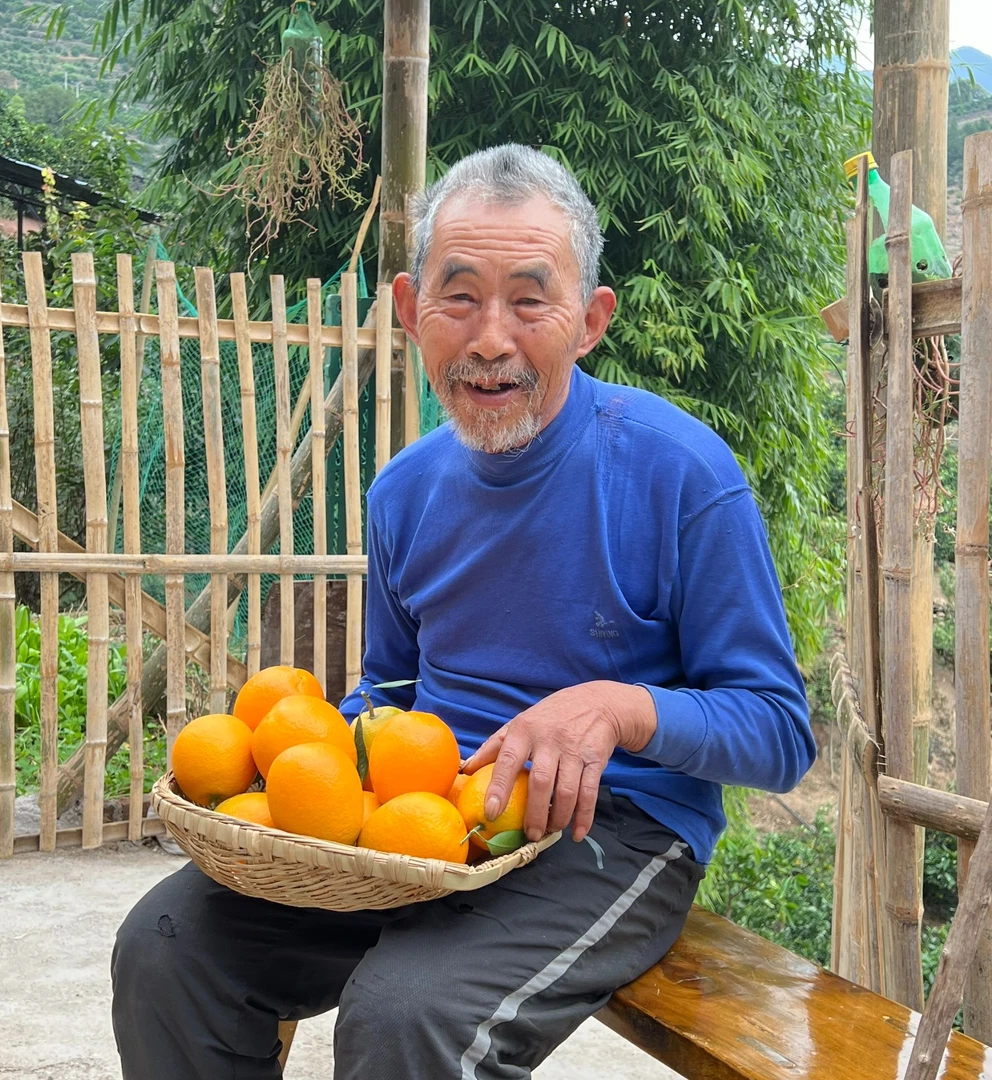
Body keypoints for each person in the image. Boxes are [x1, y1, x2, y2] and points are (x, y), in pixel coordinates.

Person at [112, 144, 815, 1079]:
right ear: (410, 310)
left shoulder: (680, 474)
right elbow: (387, 693)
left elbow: (778, 732)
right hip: (421, 817)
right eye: (460, 296)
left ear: (591, 320)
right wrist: (291, 761)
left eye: (531, 299)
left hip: (610, 833)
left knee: (408, 1017)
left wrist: (616, 707)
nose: (491, 338)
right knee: (165, 946)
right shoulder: (404, 493)